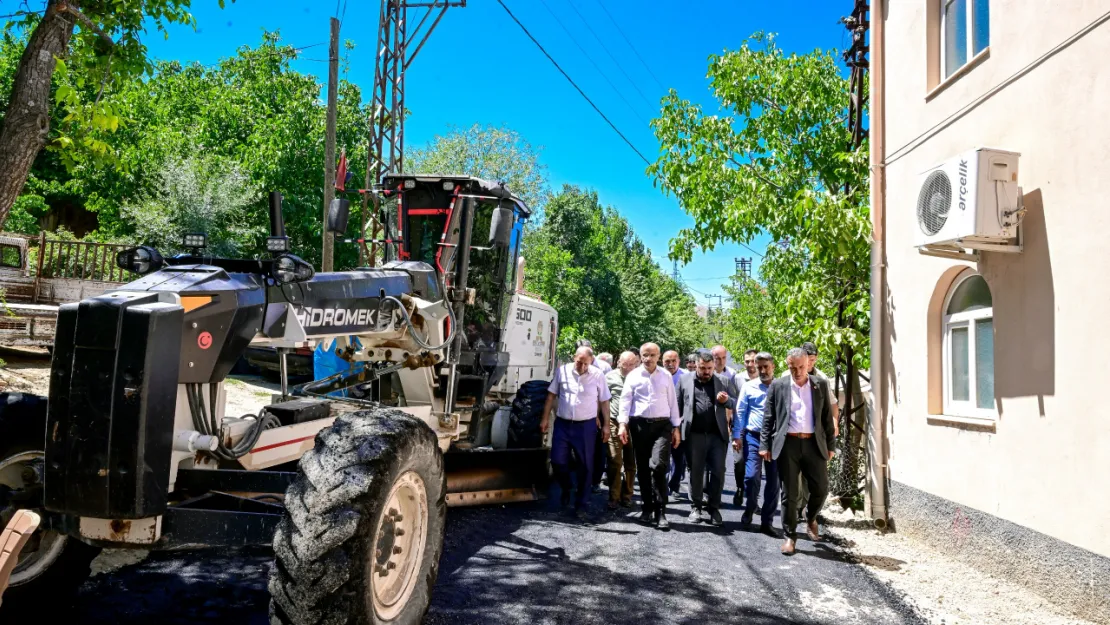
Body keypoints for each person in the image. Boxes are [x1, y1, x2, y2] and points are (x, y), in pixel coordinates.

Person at [759, 348, 836, 555]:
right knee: (789, 493)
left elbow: (827, 418)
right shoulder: (778, 385)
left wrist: (831, 446)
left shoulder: (820, 385)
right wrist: (764, 445)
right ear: (788, 365)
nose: (798, 371)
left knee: (821, 488)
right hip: (788, 445)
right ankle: (790, 536)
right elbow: (768, 418)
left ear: (808, 364)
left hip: (813, 444)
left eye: (802, 367)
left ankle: (810, 517)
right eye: (793, 367)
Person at [541, 347, 612, 520]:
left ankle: (582, 504)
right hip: (563, 424)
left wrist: (606, 426)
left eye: (586, 363)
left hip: (586, 426)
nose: (582, 366)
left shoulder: (597, 375)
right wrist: (544, 419)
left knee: (586, 466)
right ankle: (567, 487)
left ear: (591, 362)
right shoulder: (562, 371)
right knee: (557, 461)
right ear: (574, 358)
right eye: (579, 362)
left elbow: (604, 401)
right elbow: (551, 396)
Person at [618, 342, 681, 530]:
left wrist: (676, 427)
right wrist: (622, 424)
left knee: (659, 466)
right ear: (640, 356)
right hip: (639, 426)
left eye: (652, 355)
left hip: (662, 426)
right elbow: (625, 400)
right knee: (644, 469)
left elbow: (672, 401)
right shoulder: (633, 375)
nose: (648, 358)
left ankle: (661, 511)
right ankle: (647, 508)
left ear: (658, 356)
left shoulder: (666, 375)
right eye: (645, 355)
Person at [677, 349, 732, 526]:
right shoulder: (685, 380)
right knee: (696, 471)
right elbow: (677, 406)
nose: (706, 372)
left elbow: (735, 402)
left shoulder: (723, 381)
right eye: (703, 368)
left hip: (717, 436)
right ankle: (696, 507)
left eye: (709, 368)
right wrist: (676, 429)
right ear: (696, 366)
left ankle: (714, 508)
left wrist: (726, 401)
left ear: (714, 366)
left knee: (718, 472)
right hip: (694, 434)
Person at [734, 352, 779, 534]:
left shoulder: (781, 387)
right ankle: (751, 506)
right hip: (753, 437)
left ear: (773, 366)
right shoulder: (749, 386)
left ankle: (767, 522)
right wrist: (737, 435)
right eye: (759, 367)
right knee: (752, 477)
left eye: (765, 366)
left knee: (773, 481)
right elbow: (740, 411)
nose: (762, 370)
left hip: (776, 439)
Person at [604, 351, 639, 509]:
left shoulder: (640, 377)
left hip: (634, 423)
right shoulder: (609, 377)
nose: (629, 367)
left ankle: (627, 495)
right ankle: (614, 496)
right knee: (614, 460)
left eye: (632, 364)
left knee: (631, 461)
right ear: (619, 362)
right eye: (626, 364)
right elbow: (603, 399)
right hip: (614, 421)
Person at [662, 350, 688, 499]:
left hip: (681, 422)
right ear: (662, 361)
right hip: (662, 423)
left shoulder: (685, 377)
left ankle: (675, 484)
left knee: (678, 458)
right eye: (667, 361)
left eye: (673, 361)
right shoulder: (658, 375)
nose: (670, 364)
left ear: (678, 361)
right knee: (662, 457)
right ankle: (662, 485)